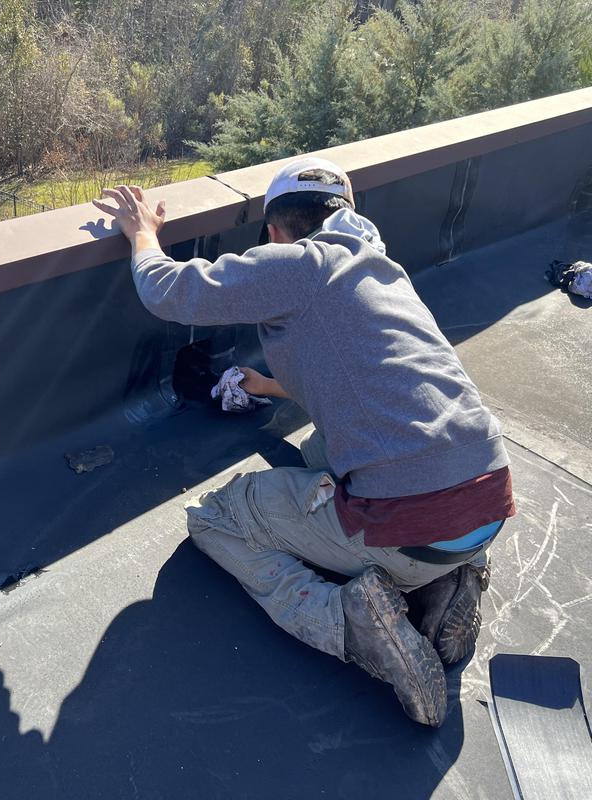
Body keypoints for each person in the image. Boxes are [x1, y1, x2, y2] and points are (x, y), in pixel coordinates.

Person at [92, 158, 515, 727]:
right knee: (325, 448)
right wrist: (263, 384)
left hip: (411, 523)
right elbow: (346, 374)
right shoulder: (381, 269)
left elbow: (169, 292)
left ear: (274, 233)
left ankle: (352, 623)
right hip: (488, 498)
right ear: (347, 215)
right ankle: (454, 577)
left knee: (215, 519)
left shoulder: (298, 264)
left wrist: (142, 232)